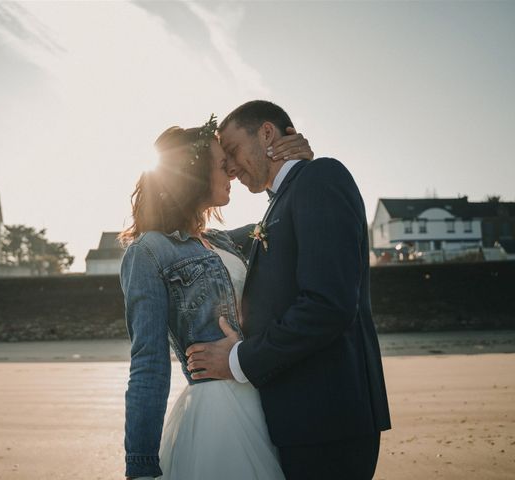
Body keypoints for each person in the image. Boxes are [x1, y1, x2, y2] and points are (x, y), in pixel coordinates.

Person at [186, 100, 392, 480]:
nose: (230, 167)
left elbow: (327, 305)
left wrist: (237, 360)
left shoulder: (321, 178)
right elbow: (219, 239)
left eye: (232, 151)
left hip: (328, 422)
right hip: (300, 420)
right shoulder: (282, 202)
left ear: (267, 133)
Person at [118, 115, 313, 479]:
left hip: (267, 399)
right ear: (192, 177)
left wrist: (296, 163)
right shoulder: (149, 251)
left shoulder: (227, 240)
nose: (233, 174)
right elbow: (148, 363)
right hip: (217, 415)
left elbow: (284, 215)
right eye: (224, 166)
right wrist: (140, 464)